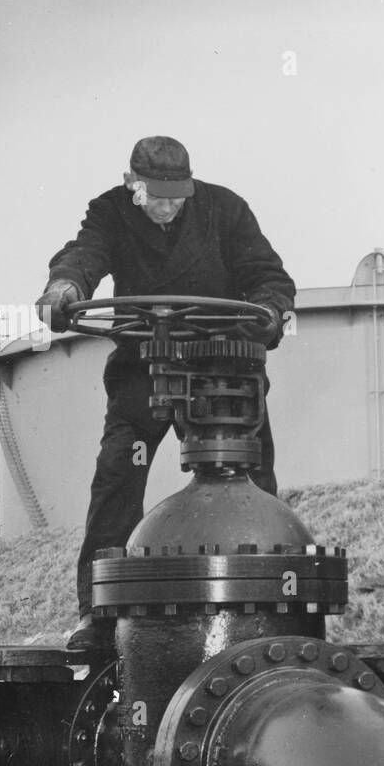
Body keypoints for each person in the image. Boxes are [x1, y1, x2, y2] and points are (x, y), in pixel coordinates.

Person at [35, 136, 295, 651]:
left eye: (179, 197)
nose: (171, 208)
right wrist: (65, 288)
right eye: (160, 198)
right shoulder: (111, 211)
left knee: (251, 479)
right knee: (117, 476)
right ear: (133, 185)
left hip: (220, 369)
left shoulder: (226, 209)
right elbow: (84, 255)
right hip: (142, 367)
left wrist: (269, 308)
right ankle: (101, 613)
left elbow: (266, 274)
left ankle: (270, 608)